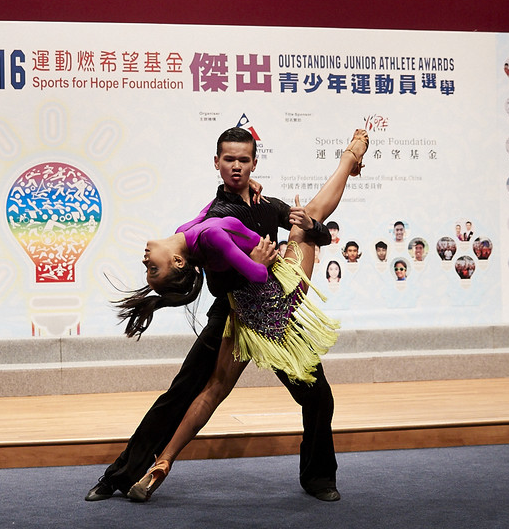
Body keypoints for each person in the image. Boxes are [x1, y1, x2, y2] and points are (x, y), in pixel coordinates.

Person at [85, 127, 362, 504]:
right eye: (228, 160)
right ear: (216, 163)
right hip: (232, 313)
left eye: (243, 160)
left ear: (253, 163)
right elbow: (224, 271)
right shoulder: (219, 213)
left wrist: (314, 229)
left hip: (275, 312)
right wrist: (263, 257)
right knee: (181, 394)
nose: (235, 166)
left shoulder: (263, 205)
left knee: (318, 397)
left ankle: (317, 477)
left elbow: (312, 225)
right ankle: (120, 476)